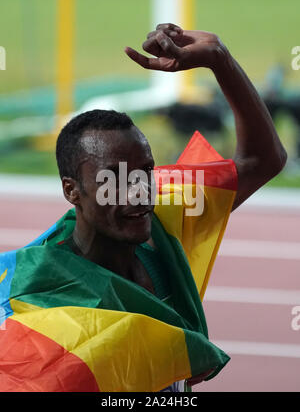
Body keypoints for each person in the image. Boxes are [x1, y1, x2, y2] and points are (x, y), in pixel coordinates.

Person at [0, 23, 286, 392]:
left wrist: (219, 58)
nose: (137, 192)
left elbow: (264, 160)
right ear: (72, 191)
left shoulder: (165, 222)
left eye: (146, 172)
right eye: (112, 180)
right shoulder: (39, 295)